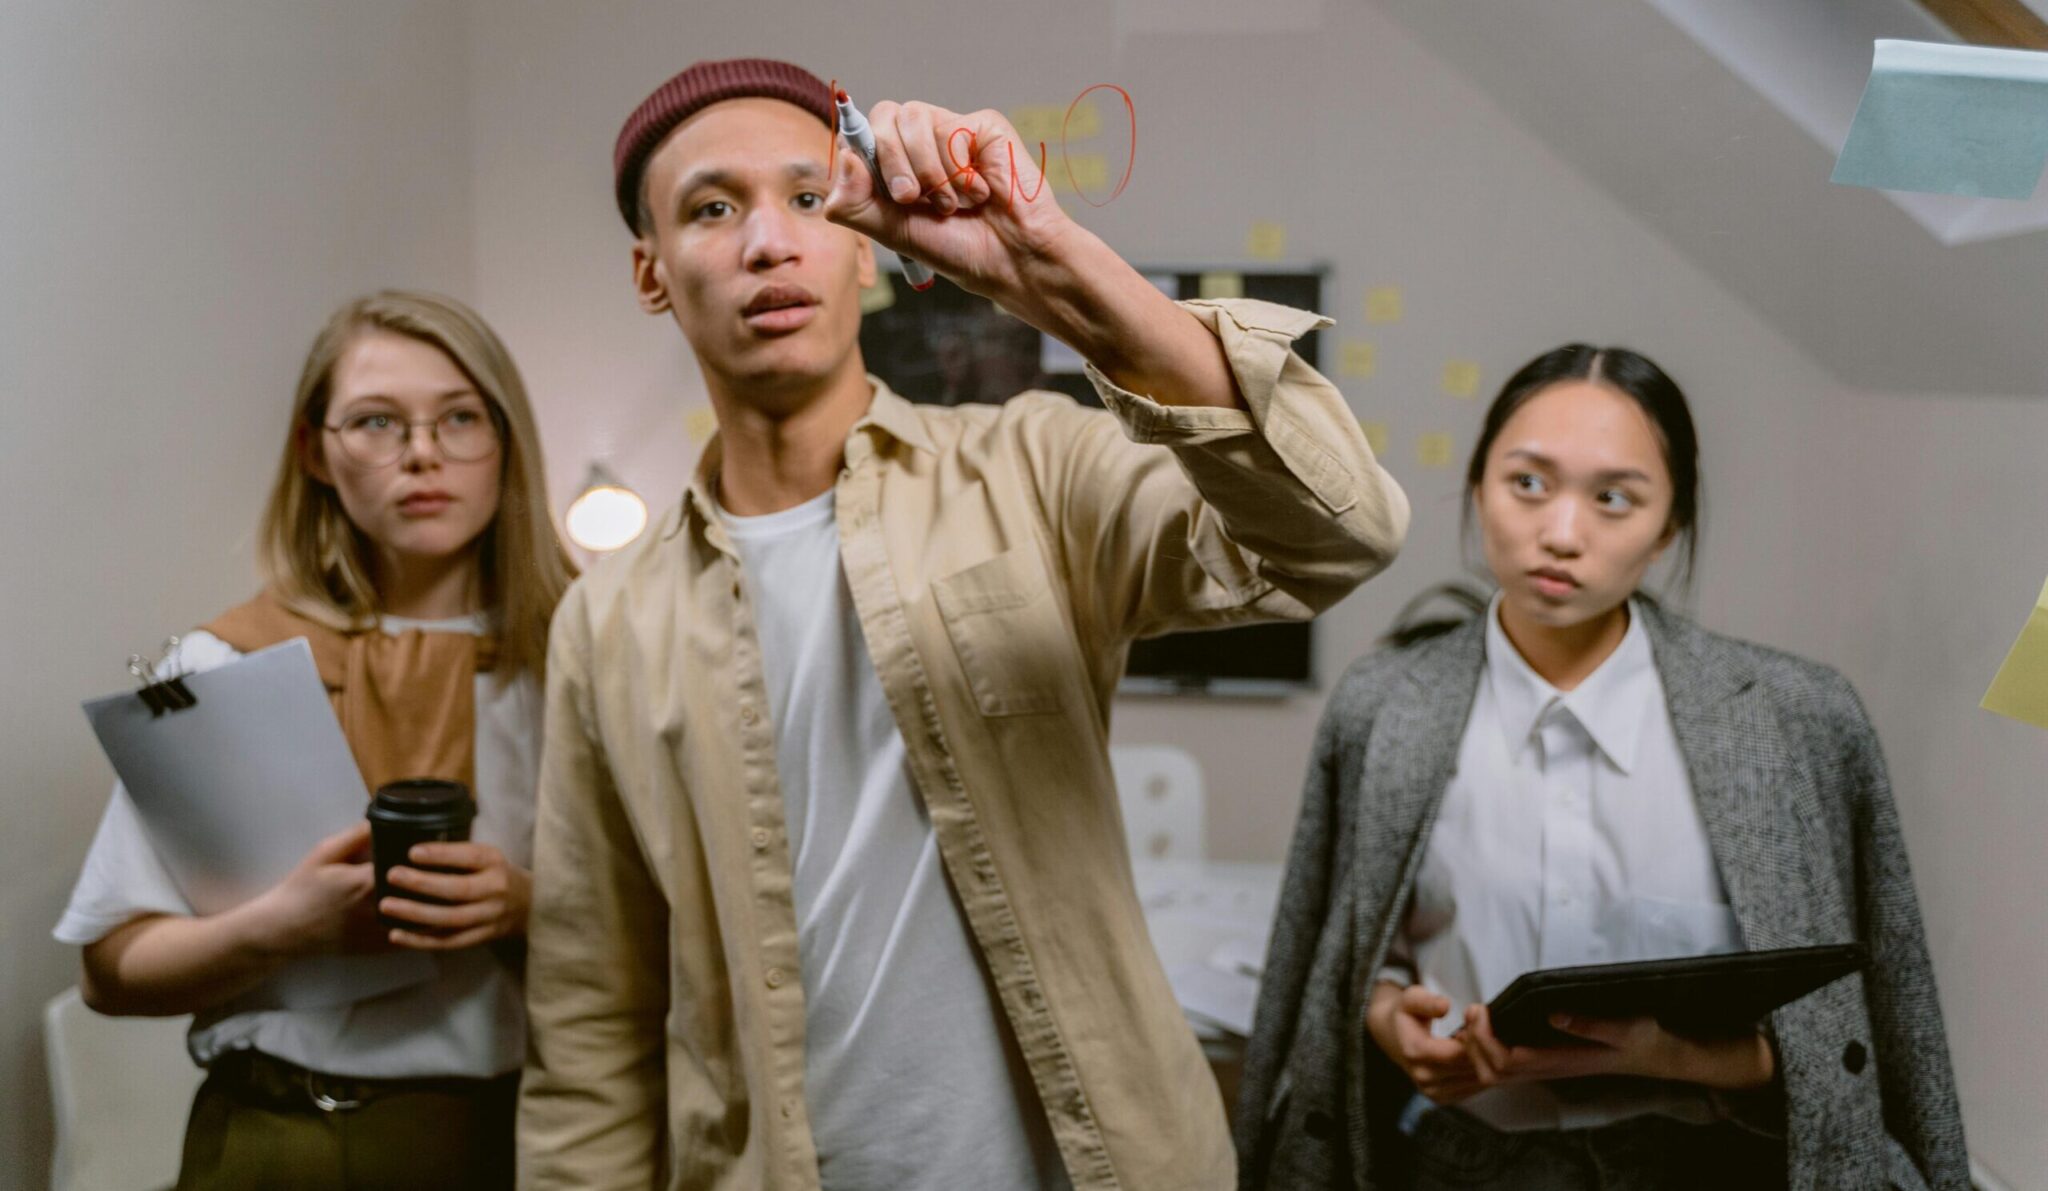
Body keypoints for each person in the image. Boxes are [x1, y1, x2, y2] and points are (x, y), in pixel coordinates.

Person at [517, 58, 1409, 1190]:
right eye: (710, 207)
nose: (766, 243)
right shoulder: (607, 617)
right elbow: (592, 1012)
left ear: (860, 243)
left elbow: (1339, 533)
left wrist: (1055, 278)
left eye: (806, 198)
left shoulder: (1030, 468)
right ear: (652, 272)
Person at [1235, 344, 1968, 1189]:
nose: (1561, 533)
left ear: (1669, 527)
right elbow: (1342, 951)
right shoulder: (1385, 705)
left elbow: (1862, 1034)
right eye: (1528, 483)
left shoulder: (1795, 718)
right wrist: (1388, 1013)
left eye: (1614, 498)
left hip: (1714, 1166)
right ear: (1476, 486)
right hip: (1457, 1166)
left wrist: (1678, 1055)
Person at [55, 290, 576, 1190]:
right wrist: (283, 926)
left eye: (459, 417)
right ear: (316, 451)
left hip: (528, 1139)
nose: (423, 454)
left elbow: (695, 930)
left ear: (507, 440)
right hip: (283, 1132)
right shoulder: (223, 666)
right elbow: (111, 970)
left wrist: (531, 906)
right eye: (377, 421)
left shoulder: (579, 658)